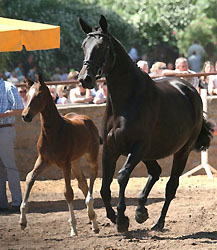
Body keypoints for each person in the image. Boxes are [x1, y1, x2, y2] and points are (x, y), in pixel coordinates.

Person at [0, 74, 24, 213]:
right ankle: (2, 203)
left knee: (10, 167)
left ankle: (17, 201)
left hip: (5, 129)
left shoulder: (9, 87)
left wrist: (3, 114)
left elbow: (20, 108)